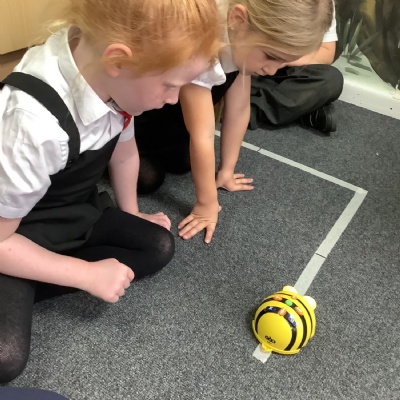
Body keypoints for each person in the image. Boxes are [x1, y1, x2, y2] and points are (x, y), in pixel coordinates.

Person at [0, 0, 221, 383]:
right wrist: (84, 274)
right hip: (12, 233)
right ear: (118, 61)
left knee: (157, 245)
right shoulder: (33, 125)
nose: (174, 99)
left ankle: (31, 275)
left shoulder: (110, 79)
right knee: (6, 356)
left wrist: (131, 211)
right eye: (170, 85)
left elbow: (124, 153)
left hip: (67, 211)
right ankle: (24, 276)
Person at [134, 0, 334, 243]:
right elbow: (202, 134)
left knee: (185, 163)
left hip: (174, 122)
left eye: (282, 62)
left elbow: (239, 110)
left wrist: (227, 169)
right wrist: (206, 204)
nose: (272, 71)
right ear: (238, 20)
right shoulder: (200, 48)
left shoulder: (240, 44)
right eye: (271, 57)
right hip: (141, 123)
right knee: (148, 179)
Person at [249, 2, 343, 134]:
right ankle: (298, 111)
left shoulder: (322, 4)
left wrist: (281, 60)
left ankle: (244, 110)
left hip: (283, 68)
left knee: (331, 79)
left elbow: (326, 52)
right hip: (250, 61)